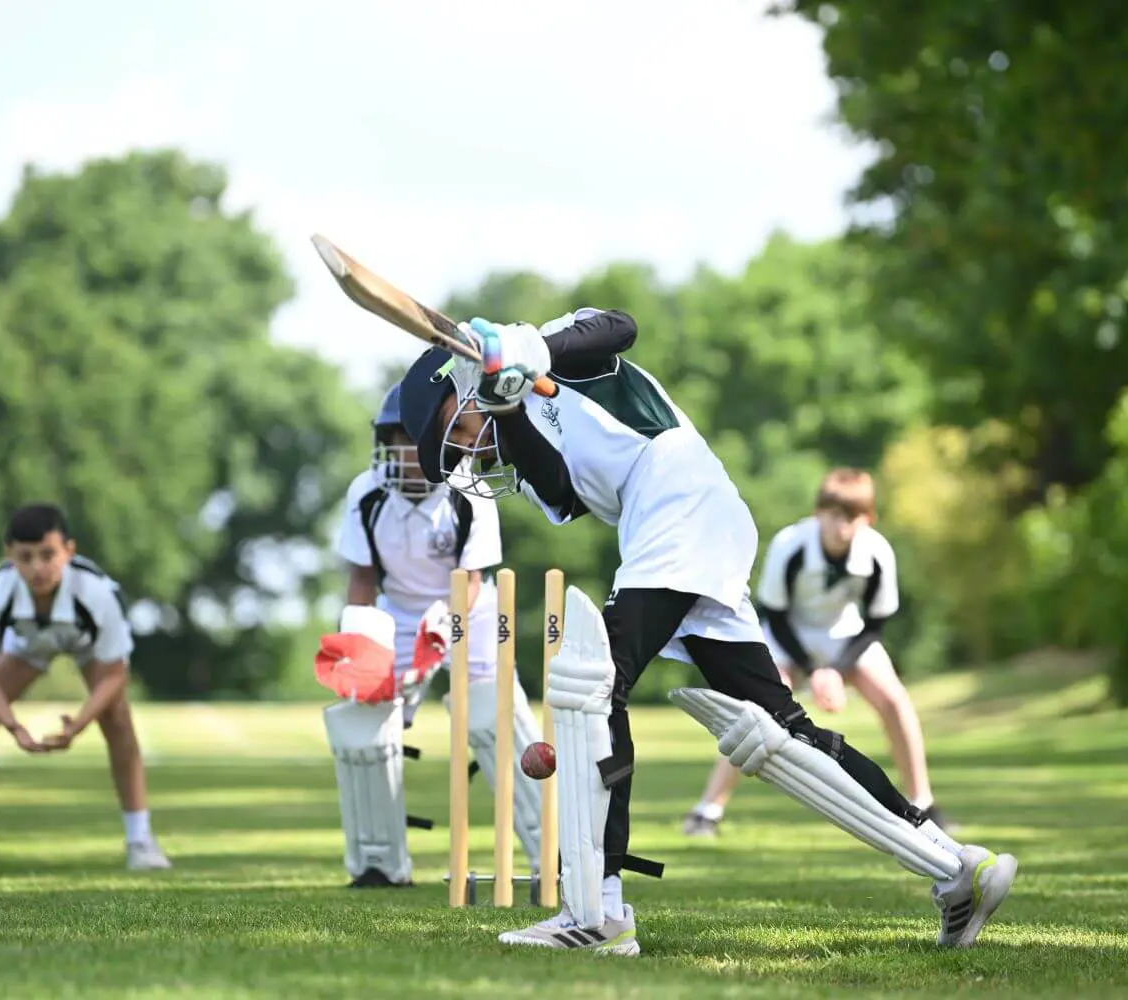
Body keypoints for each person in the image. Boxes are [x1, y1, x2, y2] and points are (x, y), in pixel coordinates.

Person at [396, 309, 1017, 957]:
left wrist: (527, 351)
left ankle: (598, 911)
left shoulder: (560, 347)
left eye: (459, 429)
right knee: (781, 729)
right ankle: (956, 868)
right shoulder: (514, 409)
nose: (474, 447)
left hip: (677, 500)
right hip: (678, 520)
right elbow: (564, 494)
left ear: (460, 383)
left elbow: (619, 326)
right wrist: (511, 405)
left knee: (590, 686)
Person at [320, 382, 542, 889]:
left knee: (494, 714)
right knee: (365, 725)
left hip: (467, 608)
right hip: (394, 612)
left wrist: (442, 632)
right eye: (401, 439)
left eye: (420, 440)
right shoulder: (367, 491)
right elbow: (360, 579)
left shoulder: (470, 491)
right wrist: (359, 651)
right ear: (387, 441)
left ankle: (547, 852)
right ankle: (379, 862)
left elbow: (471, 580)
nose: (410, 452)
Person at [683, 468, 952, 838]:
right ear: (817, 512)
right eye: (832, 513)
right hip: (788, 634)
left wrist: (838, 670)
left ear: (868, 518)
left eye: (851, 516)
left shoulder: (876, 551)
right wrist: (813, 670)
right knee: (755, 712)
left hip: (847, 635)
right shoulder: (790, 544)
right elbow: (775, 615)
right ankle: (707, 810)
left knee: (895, 699)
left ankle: (923, 802)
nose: (840, 525)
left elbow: (874, 624)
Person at [0, 504, 172, 877]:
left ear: (69, 551)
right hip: (28, 642)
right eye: (25, 557)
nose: (38, 568)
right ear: (9, 555)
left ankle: (141, 841)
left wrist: (79, 724)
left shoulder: (97, 594)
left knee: (117, 715)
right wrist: (13, 725)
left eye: (48, 555)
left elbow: (116, 674)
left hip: (86, 642)